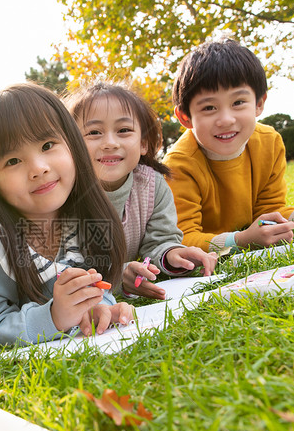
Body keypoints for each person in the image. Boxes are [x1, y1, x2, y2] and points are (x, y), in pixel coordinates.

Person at [0, 83, 133, 345]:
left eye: (48, 145)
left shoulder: (78, 218)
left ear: (72, 145)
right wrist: (54, 317)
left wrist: (97, 306)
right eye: (12, 161)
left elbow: (91, 284)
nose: (38, 168)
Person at [163, 37, 294, 252]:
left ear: (259, 104)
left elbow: (271, 211)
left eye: (238, 103)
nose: (226, 119)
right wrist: (241, 240)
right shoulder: (179, 165)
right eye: (209, 108)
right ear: (185, 118)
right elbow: (180, 240)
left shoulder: (268, 142)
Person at [66, 81, 217, 299]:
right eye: (94, 132)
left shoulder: (151, 185)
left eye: (124, 130)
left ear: (144, 143)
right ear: (72, 144)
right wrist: (118, 278)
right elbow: (63, 266)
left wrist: (173, 255)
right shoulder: (63, 194)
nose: (110, 143)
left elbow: (160, 240)